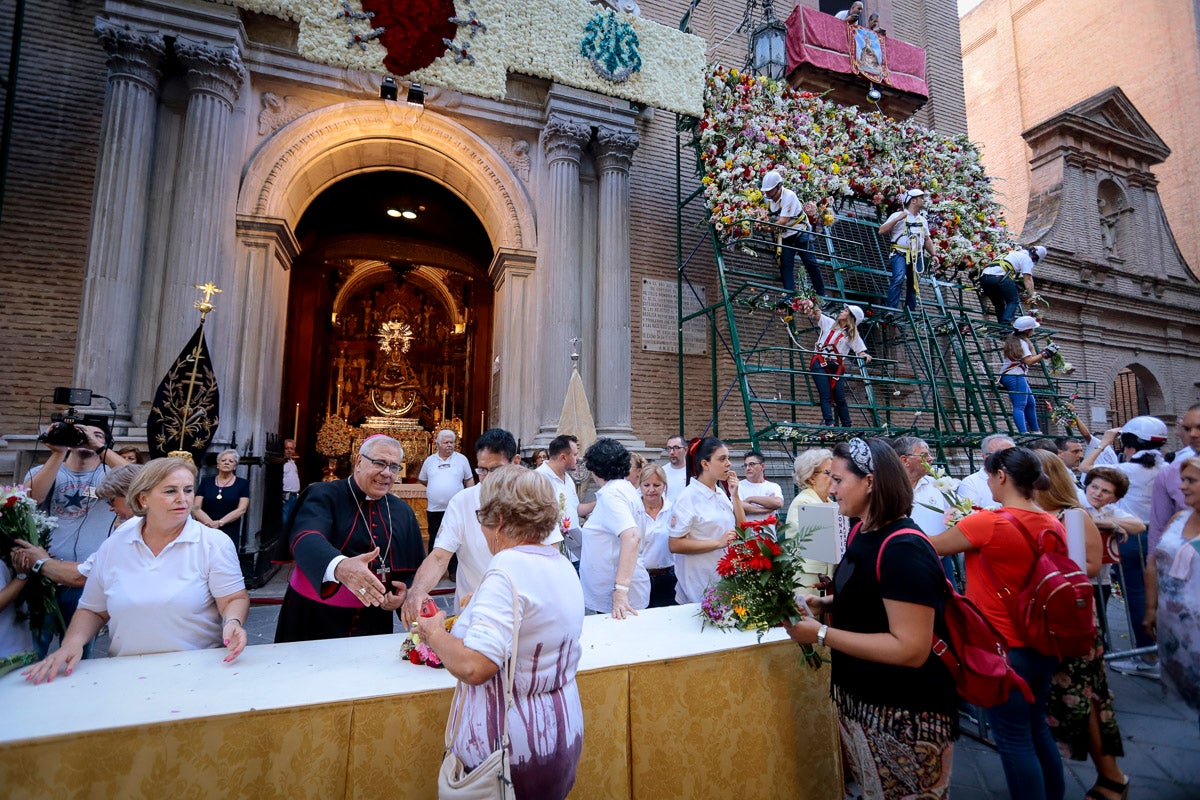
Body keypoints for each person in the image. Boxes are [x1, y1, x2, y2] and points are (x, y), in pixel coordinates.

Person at [784, 438, 957, 799]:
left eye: (838, 480)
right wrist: (824, 602)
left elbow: (910, 648)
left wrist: (819, 634)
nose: (830, 490)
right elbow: (871, 593)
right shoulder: (864, 531)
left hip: (903, 713)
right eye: (828, 479)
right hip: (866, 702)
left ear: (870, 482)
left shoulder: (904, 548)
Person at [414, 465, 584, 799]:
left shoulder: (507, 567)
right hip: (559, 730)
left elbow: (476, 667)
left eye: (482, 516)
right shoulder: (560, 562)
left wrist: (434, 633)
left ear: (500, 521)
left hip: (509, 749)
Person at [22, 457, 250, 682]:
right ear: (143, 499)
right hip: (126, 673)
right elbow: (93, 609)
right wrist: (71, 644)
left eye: (188, 490)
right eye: (170, 491)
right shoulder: (115, 545)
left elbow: (233, 598)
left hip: (198, 672)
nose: (183, 499)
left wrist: (232, 622)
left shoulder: (213, 543)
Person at [933, 447, 1066, 800]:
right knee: (1038, 729)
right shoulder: (1053, 522)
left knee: (1013, 738)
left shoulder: (988, 522)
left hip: (1004, 648)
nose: (988, 483)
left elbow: (928, 547)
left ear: (1002, 476)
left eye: (990, 476)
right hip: (1044, 641)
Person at [1032, 452, 1129, 800]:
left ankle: (1112, 777)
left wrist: (1044, 568)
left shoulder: (1073, 515)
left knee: (1084, 698)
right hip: (1038, 622)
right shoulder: (1025, 514)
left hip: (1070, 621)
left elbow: (1088, 565)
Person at [274, 435, 425, 642]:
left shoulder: (402, 511)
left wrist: (402, 593)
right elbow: (305, 537)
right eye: (379, 463)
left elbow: (412, 567)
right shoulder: (323, 494)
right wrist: (340, 566)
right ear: (359, 462)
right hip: (314, 618)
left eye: (394, 467)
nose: (387, 473)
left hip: (374, 621)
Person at [403, 429, 562, 624]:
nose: (487, 478)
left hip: (524, 612)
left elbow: (551, 556)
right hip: (472, 613)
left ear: (516, 462)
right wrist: (418, 591)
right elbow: (439, 557)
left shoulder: (534, 498)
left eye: (495, 469)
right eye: (482, 470)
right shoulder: (462, 502)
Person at [23, 420, 125, 657]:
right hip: (44, 576)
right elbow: (32, 499)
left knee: (78, 652)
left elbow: (144, 480)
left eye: (98, 435)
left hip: (87, 577)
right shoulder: (45, 469)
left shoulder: (112, 475)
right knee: (33, 649)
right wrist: (59, 452)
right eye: (79, 434)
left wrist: (99, 447)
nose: (87, 438)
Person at [1080, 415, 1168, 676]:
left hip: (1131, 537)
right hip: (1158, 535)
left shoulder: (1127, 470)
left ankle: (1147, 656)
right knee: (1159, 595)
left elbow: (1086, 467)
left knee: (1138, 596)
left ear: (1130, 442)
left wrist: (1104, 441)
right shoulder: (1165, 466)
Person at [11, 464, 142, 589]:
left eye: (111, 500)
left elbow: (80, 577)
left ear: (131, 495)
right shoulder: (147, 524)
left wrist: (40, 561)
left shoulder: (133, 528)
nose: (111, 508)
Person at [1145, 456, 1200, 733]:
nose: (1182, 487)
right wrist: (1151, 608)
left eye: (1191, 481)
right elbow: (1155, 561)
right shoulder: (1179, 518)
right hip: (1176, 632)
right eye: (1183, 479)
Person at [668, 437, 745, 604]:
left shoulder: (720, 492)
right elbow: (674, 544)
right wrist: (718, 542)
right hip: (698, 589)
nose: (729, 463)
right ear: (705, 464)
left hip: (725, 583)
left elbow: (742, 531)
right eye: (722, 459)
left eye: (728, 458)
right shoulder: (688, 498)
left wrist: (736, 496)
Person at [580, 438, 648, 618]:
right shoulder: (623, 489)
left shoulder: (612, 494)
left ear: (595, 469)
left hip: (616, 600)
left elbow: (632, 536)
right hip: (614, 594)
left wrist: (620, 591)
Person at [1082, 467, 1145, 649]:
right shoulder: (1076, 503)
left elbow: (1139, 526)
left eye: (1105, 491)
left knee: (1099, 621)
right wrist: (1111, 525)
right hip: (1080, 576)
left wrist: (1109, 523)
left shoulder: (1109, 511)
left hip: (1102, 578)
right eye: (1094, 487)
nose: (1098, 494)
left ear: (1115, 498)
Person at [894, 436, 958, 583]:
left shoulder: (938, 484)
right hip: (903, 565)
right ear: (905, 460)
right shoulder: (886, 488)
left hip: (941, 562)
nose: (931, 458)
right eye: (924, 455)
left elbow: (958, 514)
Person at [805, 303, 872, 427]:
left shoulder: (852, 335)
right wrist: (810, 304)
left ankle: (847, 426)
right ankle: (830, 423)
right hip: (820, 362)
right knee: (825, 394)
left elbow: (860, 351)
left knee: (840, 397)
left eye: (845, 311)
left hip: (836, 367)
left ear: (850, 317)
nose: (842, 311)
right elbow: (817, 314)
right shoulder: (829, 323)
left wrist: (865, 356)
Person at [760, 170, 826, 297]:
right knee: (785, 265)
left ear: (779, 186)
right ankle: (790, 296)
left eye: (770, 190)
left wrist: (765, 228)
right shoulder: (767, 198)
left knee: (810, 263)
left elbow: (782, 222)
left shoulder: (789, 196)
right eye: (766, 190)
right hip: (785, 236)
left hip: (800, 232)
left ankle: (821, 294)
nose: (767, 193)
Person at [535, 434, 595, 564]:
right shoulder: (538, 478)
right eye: (575, 454)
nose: (578, 458)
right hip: (551, 553)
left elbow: (577, 509)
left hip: (575, 554)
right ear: (563, 457)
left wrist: (599, 503)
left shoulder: (568, 479)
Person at [1149, 403, 1200, 552]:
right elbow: (1158, 530)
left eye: (1199, 427)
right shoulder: (1169, 474)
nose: (1193, 434)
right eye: (1187, 428)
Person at [878, 188, 936, 314]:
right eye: (921, 198)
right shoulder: (897, 215)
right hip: (900, 253)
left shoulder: (922, 220)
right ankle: (891, 309)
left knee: (914, 284)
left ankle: (911, 311)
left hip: (917, 255)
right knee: (898, 278)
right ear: (913, 201)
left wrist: (934, 254)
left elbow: (927, 239)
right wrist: (897, 219)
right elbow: (881, 231)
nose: (923, 200)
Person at [785, 448, 836, 590]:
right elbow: (814, 540)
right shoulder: (803, 502)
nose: (833, 478)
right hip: (809, 578)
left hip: (827, 577)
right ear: (811, 477)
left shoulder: (830, 503)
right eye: (828, 473)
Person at [417, 429, 475, 553]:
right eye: (446, 442)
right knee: (435, 537)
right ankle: (436, 569)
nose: (449, 445)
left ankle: (453, 570)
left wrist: (470, 499)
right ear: (438, 444)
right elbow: (422, 480)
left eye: (452, 442)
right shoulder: (430, 461)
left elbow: (469, 479)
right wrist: (436, 487)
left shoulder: (462, 459)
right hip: (434, 509)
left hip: (456, 508)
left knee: (456, 538)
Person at [998, 315, 1052, 434]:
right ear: (1027, 331)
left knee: (1031, 402)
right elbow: (1029, 361)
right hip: (1015, 376)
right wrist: (1044, 354)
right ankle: (1024, 432)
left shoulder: (1014, 338)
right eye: (1032, 328)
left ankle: (1035, 430)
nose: (1034, 330)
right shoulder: (1021, 342)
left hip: (1012, 375)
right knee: (1020, 405)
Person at [193, 449, 251, 549]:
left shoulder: (242, 484)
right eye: (223, 460)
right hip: (205, 527)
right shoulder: (206, 481)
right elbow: (196, 507)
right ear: (218, 464)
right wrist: (209, 523)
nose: (227, 463)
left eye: (231, 461)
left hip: (229, 529)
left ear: (235, 466)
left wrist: (220, 523)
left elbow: (241, 509)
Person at [636, 463, 676, 607]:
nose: (651, 490)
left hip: (668, 578)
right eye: (646, 485)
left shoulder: (673, 509)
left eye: (656, 485)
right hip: (639, 579)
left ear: (664, 486)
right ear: (640, 486)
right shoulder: (633, 511)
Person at [979, 246, 1047, 325]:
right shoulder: (1026, 258)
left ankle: (1002, 326)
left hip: (984, 279)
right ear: (1035, 256)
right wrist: (1031, 295)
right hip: (999, 277)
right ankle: (1005, 324)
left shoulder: (1013, 253)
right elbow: (1028, 279)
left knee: (999, 303)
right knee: (1013, 300)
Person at [957, 434, 1015, 510]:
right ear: (986, 457)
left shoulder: (1022, 477)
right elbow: (970, 515)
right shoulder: (970, 483)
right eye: (1003, 454)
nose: (1010, 459)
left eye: (1012, 454)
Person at [736, 450, 783, 532]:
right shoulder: (738, 486)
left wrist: (751, 499)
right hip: (748, 538)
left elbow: (778, 503)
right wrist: (767, 508)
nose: (748, 468)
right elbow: (739, 507)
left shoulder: (773, 486)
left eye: (752, 464)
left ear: (762, 466)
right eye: (745, 465)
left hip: (769, 538)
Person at [281, 438, 301, 524]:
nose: (289, 451)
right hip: (286, 494)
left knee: (292, 517)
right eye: (287, 448)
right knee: (286, 517)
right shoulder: (282, 462)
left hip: (294, 494)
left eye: (291, 448)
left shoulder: (293, 462)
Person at [663, 435, 688, 499]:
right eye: (669, 448)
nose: (671, 452)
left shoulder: (695, 472)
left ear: (686, 450)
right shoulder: (661, 472)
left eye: (676, 448)